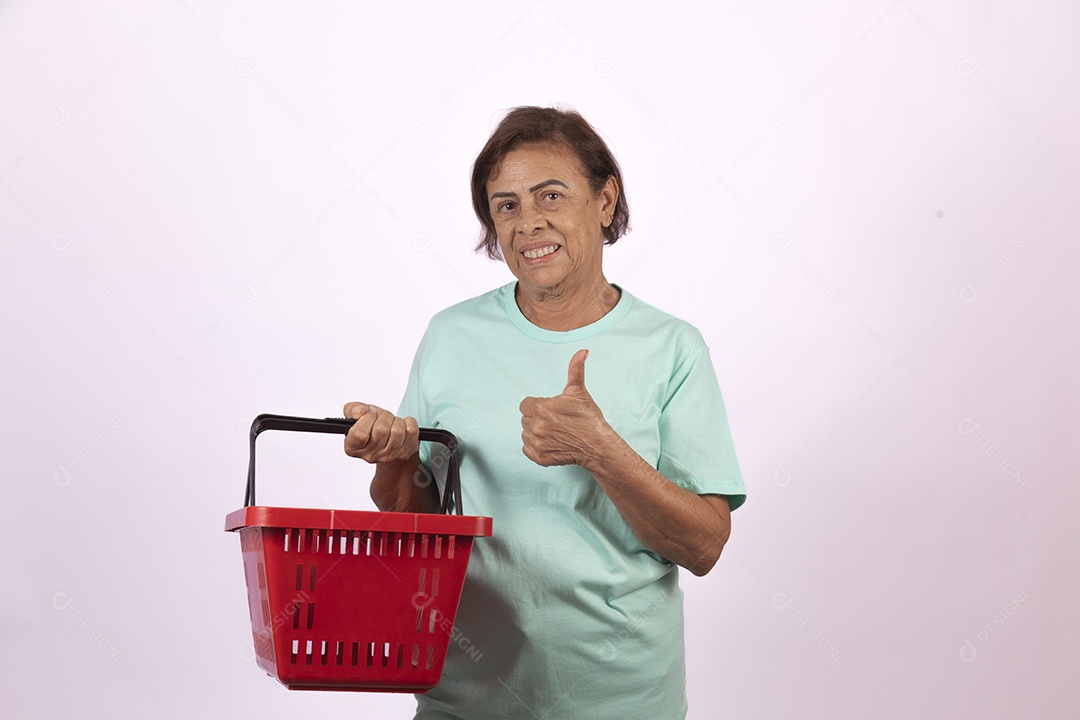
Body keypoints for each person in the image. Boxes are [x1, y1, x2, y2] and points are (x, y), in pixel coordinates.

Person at [343, 106, 746, 720]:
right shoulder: (451, 336)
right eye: (505, 205)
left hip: (619, 699)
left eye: (549, 195)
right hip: (463, 696)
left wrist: (598, 449)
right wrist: (397, 462)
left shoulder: (672, 348)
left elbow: (703, 546)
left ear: (604, 201)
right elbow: (415, 522)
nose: (528, 223)